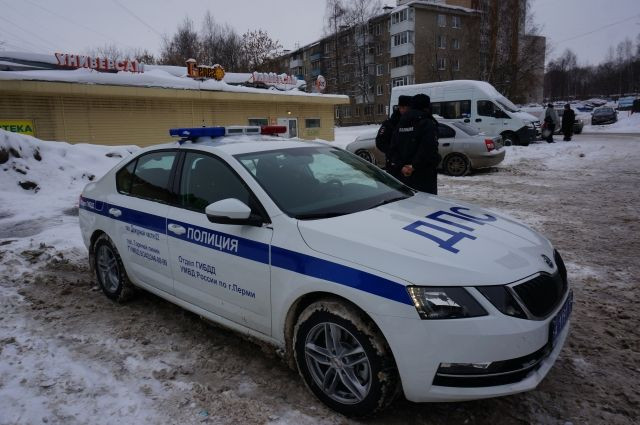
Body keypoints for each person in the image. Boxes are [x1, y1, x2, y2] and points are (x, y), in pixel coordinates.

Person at [387, 94, 440, 194]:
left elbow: (393, 148)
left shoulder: (401, 122)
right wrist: (413, 166)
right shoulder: (427, 122)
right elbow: (428, 148)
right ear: (427, 106)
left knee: (408, 203)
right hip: (424, 174)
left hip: (403, 174)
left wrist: (402, 166)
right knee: (426, 205)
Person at [375, 95, 411, 170]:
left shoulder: (414, 122)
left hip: (409, 165)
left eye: (406, 108)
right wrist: (392, 153)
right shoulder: (390, 123)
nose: (403, 110)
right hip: (394, 164)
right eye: (401, 107)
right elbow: (380, 142)